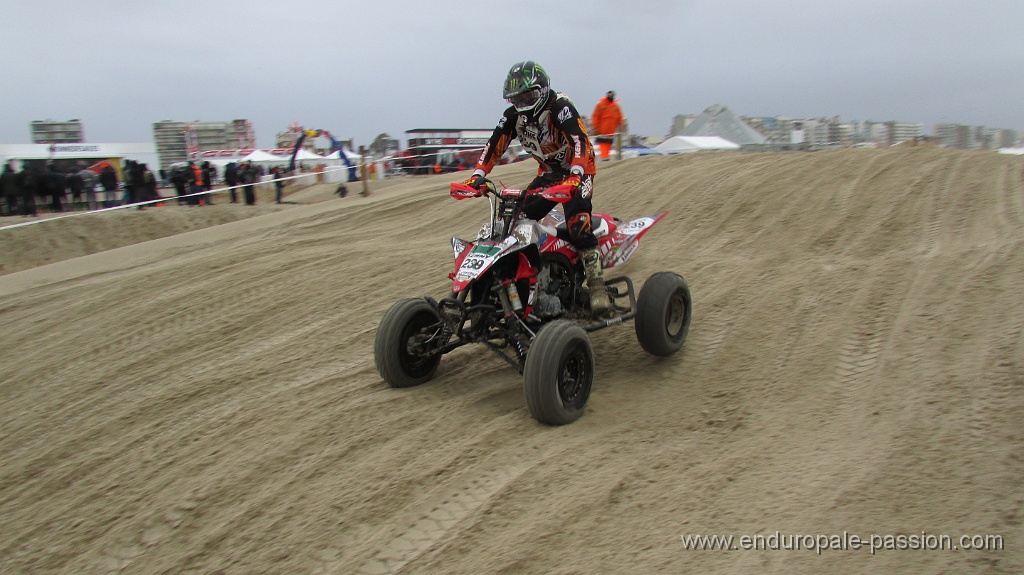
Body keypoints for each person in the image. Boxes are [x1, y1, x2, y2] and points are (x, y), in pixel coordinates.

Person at [463, 60, 609, 314]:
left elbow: (580, 141)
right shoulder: (513, 117)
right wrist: (477, 175)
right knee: (512, 221)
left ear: (542, 90)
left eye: (528, 96)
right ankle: (525, 279)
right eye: (517, 100)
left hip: (579, 171)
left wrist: (575, 175)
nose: (522, 105)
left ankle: (597, 286)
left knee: (578, 225)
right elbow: (494, 145)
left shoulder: (560, 108)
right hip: (550, 174)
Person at [591, 90, 623, 161]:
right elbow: (595, 117)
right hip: (602, 131)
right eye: (609, 95)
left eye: (612, 95)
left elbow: (620, 117)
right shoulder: (600, 105)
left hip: (611, 131)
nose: (610, 96)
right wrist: (595, 128)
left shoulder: (616, 107)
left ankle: (606, 157)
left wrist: (621, 126)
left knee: (608, 145)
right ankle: (604, 158)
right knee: (603, 145)